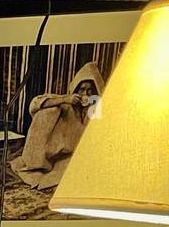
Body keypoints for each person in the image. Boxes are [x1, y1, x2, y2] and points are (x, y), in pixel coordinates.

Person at [9, 61, 105, 192]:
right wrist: (65, 100)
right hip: (54, 153)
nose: (85, 94)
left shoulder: (96, 109)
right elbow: (35, 104)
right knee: (48, 111)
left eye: (90, 91)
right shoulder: (66, 102)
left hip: (76, 155)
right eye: (82, 89)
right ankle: (38, 164)